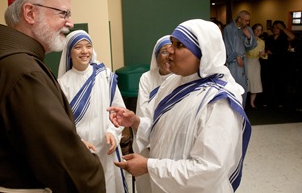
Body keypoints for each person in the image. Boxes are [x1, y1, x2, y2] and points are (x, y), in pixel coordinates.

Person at [0, 0, 105, 192]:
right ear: (30, 13)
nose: (70, 22)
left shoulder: (5, 61)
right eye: (63, 13)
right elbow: (71, 169)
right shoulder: (25, 74)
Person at [108, 19, 252, 193]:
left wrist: (150, 166)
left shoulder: (218, 101)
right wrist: (136, 122)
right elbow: (164, 131)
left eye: (179, 45)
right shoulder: (172, 83)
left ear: (203, 54)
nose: (169, 50)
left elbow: (209, 170)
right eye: (172, 43)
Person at [57, 30, 129, 193]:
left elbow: (120, 112)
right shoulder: (62, 84)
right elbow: (60, 123)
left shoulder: (105, 77)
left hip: (106, 148)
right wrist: (77, 143)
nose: (84, 51)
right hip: (80, 151)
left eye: (88, 46)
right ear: (69, 53)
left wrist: (112, 131)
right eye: (78, 47)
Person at [134, 35, 174, 193]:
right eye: (163, 52)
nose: (168, 57)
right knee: (147, 185)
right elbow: (143, 111)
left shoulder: (181, 79)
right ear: (156, 56)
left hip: (170, 139)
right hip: (147, 138)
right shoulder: (146, 78)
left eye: (171, 52)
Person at [223, 10, 257, 107]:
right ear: (239, 19)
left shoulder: (248, 29)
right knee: (233, 84)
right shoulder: (228, 29)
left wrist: (249, 36)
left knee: (244, 85)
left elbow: (252, 46)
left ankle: (242, 107)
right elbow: (227, 46)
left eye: (248, 20)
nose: (248, 23)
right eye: (246, 20)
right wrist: (236, 56)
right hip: (233, 62)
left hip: (244, 61)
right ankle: (232, 107)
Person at [263, 20, 295, 108]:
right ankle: (268, 100)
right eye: (274, 27)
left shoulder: (284, 37)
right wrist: (267, 51)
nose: (275, 29)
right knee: (269, 81)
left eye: (277, 27)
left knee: (280, 82)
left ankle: (281, 101)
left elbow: (292, 37)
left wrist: (283, 28)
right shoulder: (270, 38)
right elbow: (266, 48)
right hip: (271, 62)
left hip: (281, 62)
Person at [246, 23, 268, 109]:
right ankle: (244, 102)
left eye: (260, 30)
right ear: (253, 30)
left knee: (255, 83)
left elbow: (264, 56)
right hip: (247, 62)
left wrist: (264, 54)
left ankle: (252, 103)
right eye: (257, 29)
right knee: (246, 82)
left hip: (256, 63)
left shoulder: (262, 42)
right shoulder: (247, 40)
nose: (259, 31)